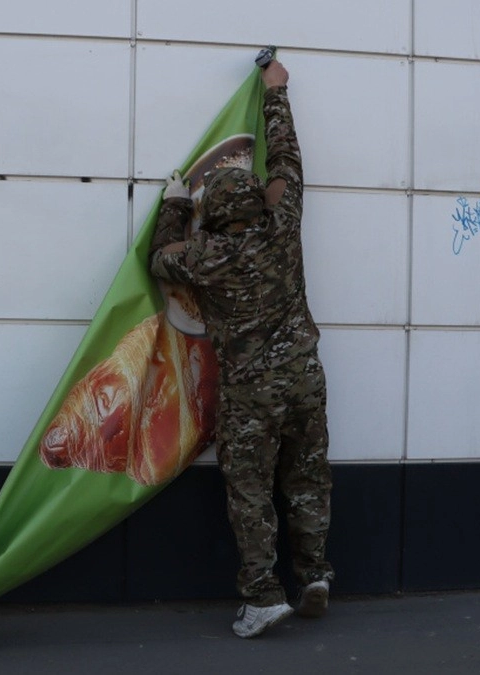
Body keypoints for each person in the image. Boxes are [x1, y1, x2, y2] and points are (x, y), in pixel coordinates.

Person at [148, 58, 333, 639]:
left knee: (250, 489)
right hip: (306, 377)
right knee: (306, 476)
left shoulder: (205, 258)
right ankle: (315, 574)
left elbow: (160, 259)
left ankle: (262, 595)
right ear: (256, 201)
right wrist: (276, 94)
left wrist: (176, 204)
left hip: (251, 392)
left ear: (215, 215)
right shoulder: (284, 226)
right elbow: (287, 161)